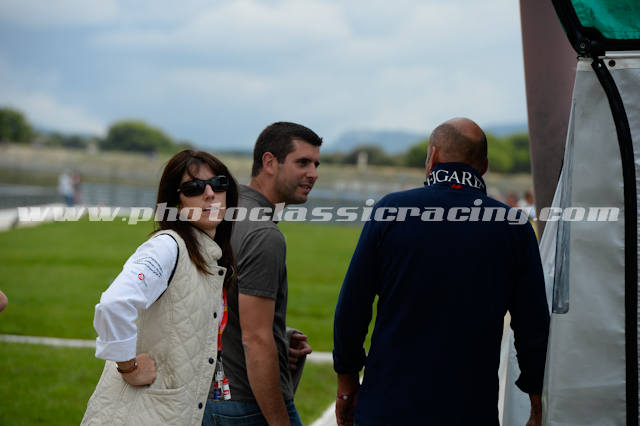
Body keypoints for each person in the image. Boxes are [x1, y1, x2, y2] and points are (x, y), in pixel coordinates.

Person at [332, 118, 550, 426]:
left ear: (432, 156)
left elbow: (352, 307)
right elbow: (533, 327)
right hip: (469, 410)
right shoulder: (514, 227)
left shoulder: (391, 210)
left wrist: (347, 384)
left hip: (387, 407)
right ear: (484, 166)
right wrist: (537, 404)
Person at [82, 150, 239, 426]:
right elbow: (114, 304)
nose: (210, 194)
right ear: (175, 202)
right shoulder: (167, 246)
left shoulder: (210, 255)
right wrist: (129, 367)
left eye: (218, 184)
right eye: (194, 187)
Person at [203, 122, 322, 426]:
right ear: (269, 162)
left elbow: (220, 309)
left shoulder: (221, 212)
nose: (313, 173)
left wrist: (280, 339)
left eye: (316, 164)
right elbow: (255, 340)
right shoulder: (263, 234)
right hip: (245, 403)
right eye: (302, 162)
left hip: (207, 396)